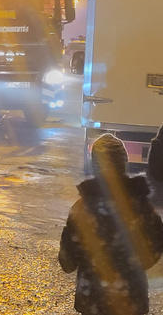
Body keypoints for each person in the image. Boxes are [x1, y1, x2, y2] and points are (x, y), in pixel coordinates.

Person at [59, 134, 163, 315]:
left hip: (93, 301)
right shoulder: (142, 207)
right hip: (132, 301)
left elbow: (67, 262)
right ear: (124, 164)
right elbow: (153, 253)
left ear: (94, 166)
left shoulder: (82, 209)